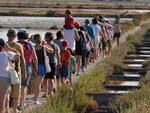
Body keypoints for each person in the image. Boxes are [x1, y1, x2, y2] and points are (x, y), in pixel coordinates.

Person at [7, 29, 26, 113]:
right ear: (15, 36)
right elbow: (22, 59)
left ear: (7, 35)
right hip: (16, 71)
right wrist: (24, 72)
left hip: (6, 71)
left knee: (7, 91)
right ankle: (15, 109)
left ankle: (6, 109)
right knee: (16, 91)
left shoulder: (4, 44)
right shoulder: (18, 45)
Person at [17, 29, 38, 109]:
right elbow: (35, 58)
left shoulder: (16, 44)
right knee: (24, 86)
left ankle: (15, 103)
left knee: (16, 86)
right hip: (28, 66)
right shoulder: (30, 44)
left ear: (18, 36)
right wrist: (35, 68)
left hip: (17, 66)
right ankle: (21, 104)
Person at [32, 34, 53, 104]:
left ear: (34, 40)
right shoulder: (43, 47)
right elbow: (52, 51)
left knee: (35, 84)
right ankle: (35, 100)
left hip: (33, 67)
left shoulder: (33, 47)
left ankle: (34, 97)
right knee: (38, 84)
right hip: (41, 67)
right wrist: (47, 44)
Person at [0, 38, 19, 113]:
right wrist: (9, 48)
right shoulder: (7, 54)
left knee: (3, 98)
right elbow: (18, 54)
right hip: (5, 77)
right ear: (3, 46)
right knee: (3, 98)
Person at [44, 32, 61, 97]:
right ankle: (50, 93)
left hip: (46, 63)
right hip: (53, 62)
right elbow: (58, 55)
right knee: (51, 78)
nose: (44, 38)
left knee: (45, 79)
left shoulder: (44, 46)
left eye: (45, 37)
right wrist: (59, 62)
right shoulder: (56, 45)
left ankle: (46, 93)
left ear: (47, 38)